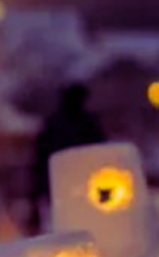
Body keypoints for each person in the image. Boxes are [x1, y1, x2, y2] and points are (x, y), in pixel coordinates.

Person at [28, 83, 105, 233]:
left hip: (61, 187)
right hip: (77, 188)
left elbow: (39, 160)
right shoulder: (88, 124)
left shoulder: (53, 124)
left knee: (63, 229)